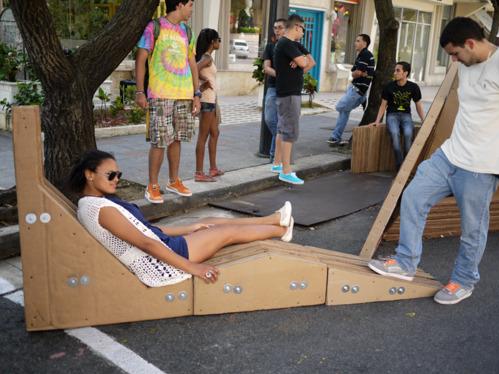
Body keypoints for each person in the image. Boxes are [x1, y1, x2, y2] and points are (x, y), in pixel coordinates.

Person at [368, 17, 499, 305]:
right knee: (413, 195)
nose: (452, 60)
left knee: (472, 229)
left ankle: (464, 281)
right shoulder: (464, 65)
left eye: (454, 53)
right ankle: (406, 262)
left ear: (471, 44)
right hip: (451, 154)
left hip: (481, 167)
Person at [69, 150, 295, 285]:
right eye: (110, 174)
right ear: (89, 175)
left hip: (164, 246)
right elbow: (146, 243)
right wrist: (192, 268)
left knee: (211, 222)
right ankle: (282, 230)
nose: (116, 179)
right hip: (165, 256)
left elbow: (147, 231)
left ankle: (274, 219)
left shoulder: (97, 204)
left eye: (118, 174)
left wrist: (190, 227)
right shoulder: (100, 209)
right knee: (226, 232)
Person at [135, 0, 200, 204]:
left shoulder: (187, 31)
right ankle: (152, 185)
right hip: (160, 93)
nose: (192, 9)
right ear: (179, 5)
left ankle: (173, 181)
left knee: (177, 138)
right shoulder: (154, 27)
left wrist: (196, 93)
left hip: (184, 93)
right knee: (160, 140)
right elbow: (140, 59)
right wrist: (139, 91)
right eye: (190, 5)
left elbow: (192, 63)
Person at [271, 14, 315, 185]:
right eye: (303, 30)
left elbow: (311, 62)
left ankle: (277, 164)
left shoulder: (293, 45)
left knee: (283, 129)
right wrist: (300, 62)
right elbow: (305, 63)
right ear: (297, 27)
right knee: (289, 131)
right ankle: (286, 171)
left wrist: (299, 63)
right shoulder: (286, 43)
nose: (303, 33)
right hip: (289, 93)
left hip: (289, 92)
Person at [371, 61, 425, 169]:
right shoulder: (389, 87)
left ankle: (407, 164)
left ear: (405, 73)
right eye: (395, 70)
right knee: (394, 134)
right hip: (392, 115)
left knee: (408, 134)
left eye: (398, 70)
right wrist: (377, 121)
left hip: (406, 116)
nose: (395, 73)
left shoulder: (413, 87)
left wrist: (424, 119)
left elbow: (418, 104)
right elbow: (383, 106)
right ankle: (401, 165)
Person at [327, 34, 375, 146]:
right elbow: (356, 72)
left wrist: (357, 73)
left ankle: (363, 99)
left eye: (358, 41)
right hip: (355, 89)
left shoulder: (365, 55)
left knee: (339, 107)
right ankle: (335, 137)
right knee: (344, 112)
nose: (355, 43)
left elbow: (356, 73)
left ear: (365, 43)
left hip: (357, 90)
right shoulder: (362, 55)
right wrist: (358, 73)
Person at [194, 28, 223, 182]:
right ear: (213, 42)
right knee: (202, 137)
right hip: (206, 101)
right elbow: (194, 68)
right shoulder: (207, 58)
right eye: (219, 39)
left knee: (215, 133)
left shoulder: (208, 57)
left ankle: (212, 169)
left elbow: (196, 69)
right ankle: (199, 173)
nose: (219, 42)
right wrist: (203, 82)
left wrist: (204, 79)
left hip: (211, 101)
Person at [262, 18, 286, 162]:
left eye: (280, 27)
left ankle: (274, 157)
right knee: (270, 119)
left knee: (281, 124)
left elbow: (304, 63)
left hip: (287, 90)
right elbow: (266, 68)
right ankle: (278, 150)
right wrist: (281, 75)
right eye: (275, 27)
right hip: (273, 88)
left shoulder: (292, 47)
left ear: (286, 29)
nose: (277, 30)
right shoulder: (270, 47)